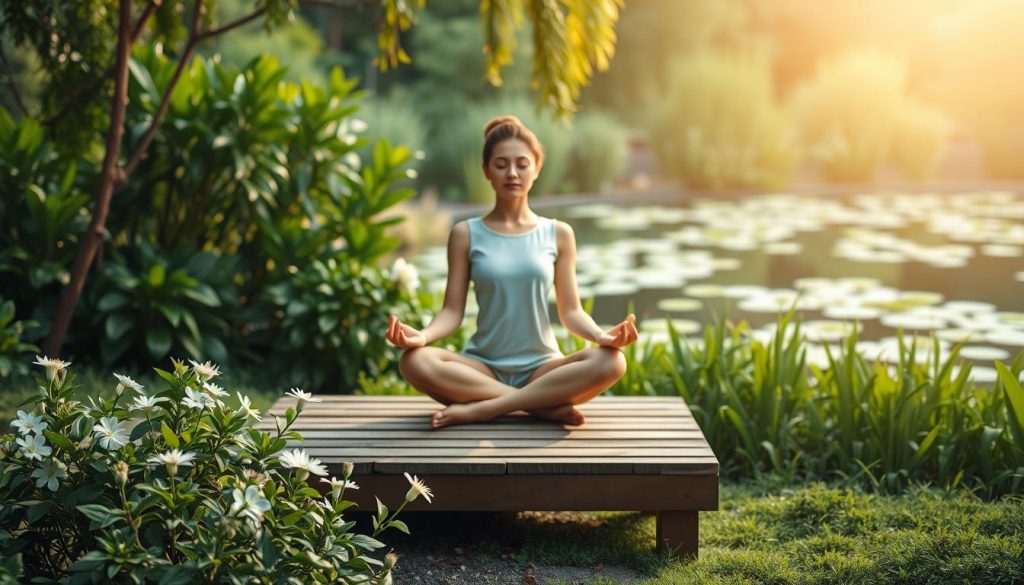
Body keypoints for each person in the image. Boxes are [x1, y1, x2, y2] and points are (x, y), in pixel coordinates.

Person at [386, 115, 639, 429]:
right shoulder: (465, 234)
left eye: (522, 164)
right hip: (482, 367)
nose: (512, 173)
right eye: (501, 164)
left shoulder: (559, 233)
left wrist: (602, 335)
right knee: (414, 361)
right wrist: (422, 336)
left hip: (542, 369)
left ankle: (486, 408)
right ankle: (538, 407)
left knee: (612, 361)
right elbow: (451, 312)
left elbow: (571, 311)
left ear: (537, 168)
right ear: (486, 171)